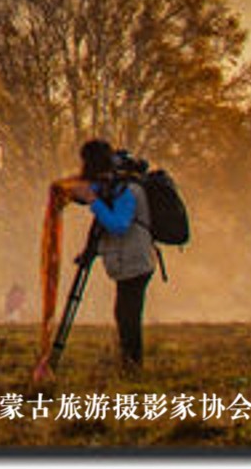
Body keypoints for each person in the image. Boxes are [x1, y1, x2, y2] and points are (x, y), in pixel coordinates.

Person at [69, 139, 154, 368]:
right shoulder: (114, 186)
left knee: (128, 317)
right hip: (127, 261)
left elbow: (118, 225)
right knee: (125, 315)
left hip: (135, 262)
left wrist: (94, 201)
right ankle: (129, 363)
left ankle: (132, 365)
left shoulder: (127, 190)